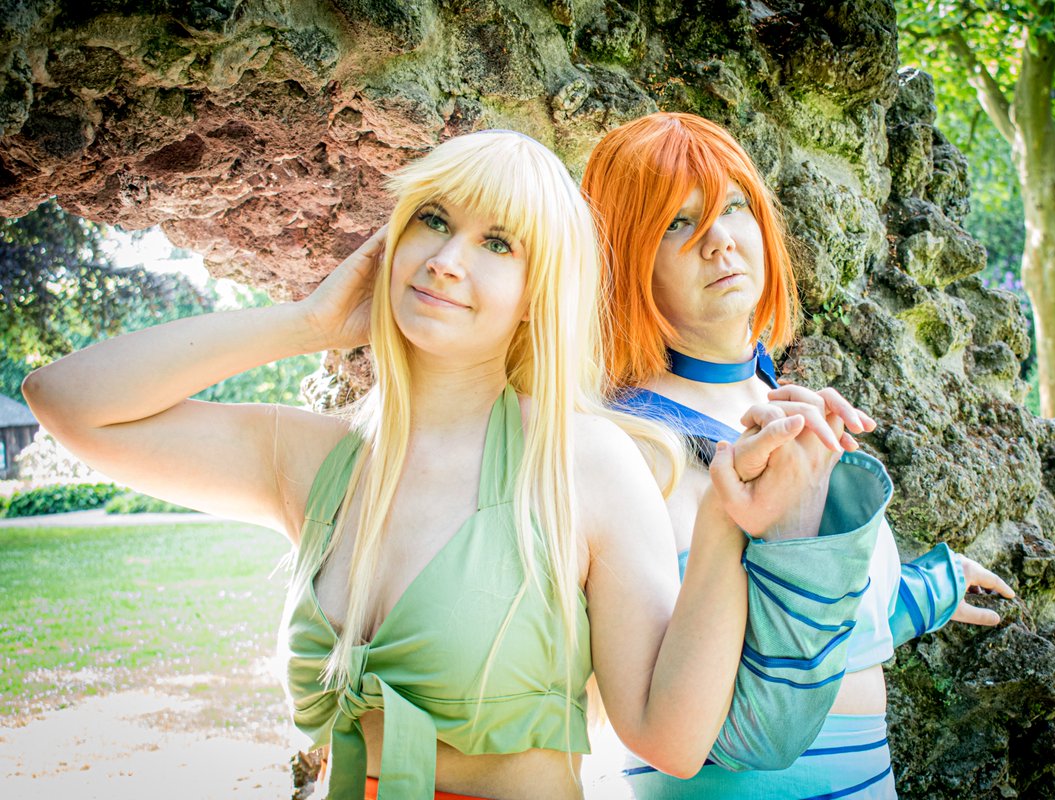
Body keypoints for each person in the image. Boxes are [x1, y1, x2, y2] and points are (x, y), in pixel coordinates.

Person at [21, 130, 812, 800]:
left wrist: (725, 526)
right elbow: (66, 400)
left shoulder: (582, 461)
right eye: (433, 220)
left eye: (498, 243)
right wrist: (309, 322)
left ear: (538, 294)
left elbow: (669, 737)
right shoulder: (315, 460)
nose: (446, 259)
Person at [582, 112, 1016, 799]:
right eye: (675, 223)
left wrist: (919, 592)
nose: (719, 240)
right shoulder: (626, 440)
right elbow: (698, 701)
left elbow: (812, 634)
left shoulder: (780, 402)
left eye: (733, 206)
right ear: (622, 257)